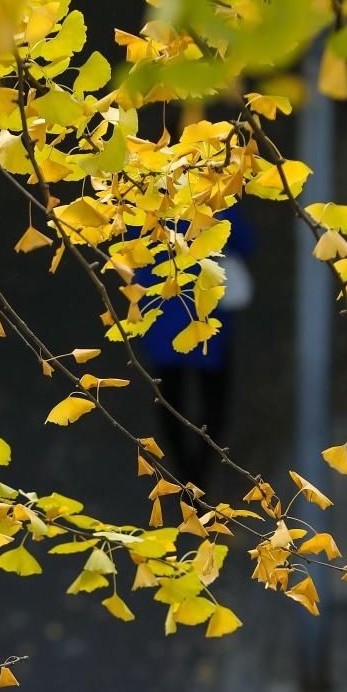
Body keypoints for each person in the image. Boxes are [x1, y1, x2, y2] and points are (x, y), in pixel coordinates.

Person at [135, 204, 255, 485]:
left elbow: (128, 252)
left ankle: (186, 477)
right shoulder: (212, 203)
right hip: (206, 316)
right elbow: (246, 243)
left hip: (159, 312)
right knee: (215, 401)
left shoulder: (142, 203)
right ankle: (200, 475)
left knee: (169, 400)